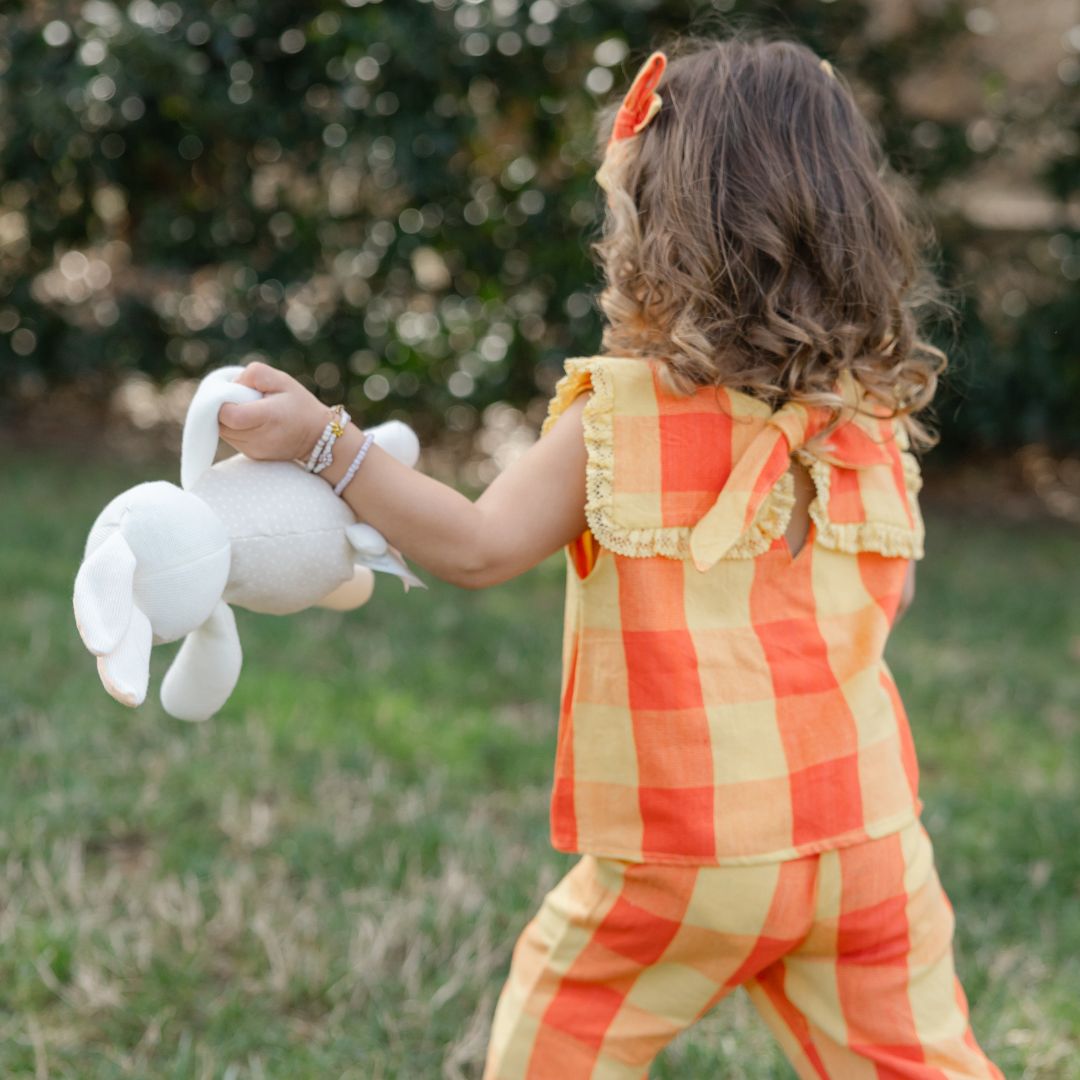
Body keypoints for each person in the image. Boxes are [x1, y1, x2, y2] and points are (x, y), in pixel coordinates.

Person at [218, 34, 1003, 1080]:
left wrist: (330, 444)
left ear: (664, 233)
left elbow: (478, 547)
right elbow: (873, 609)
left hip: (691, 860)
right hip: (867, 843)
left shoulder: (623, 421)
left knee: (562, 1036)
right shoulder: (868, 417)